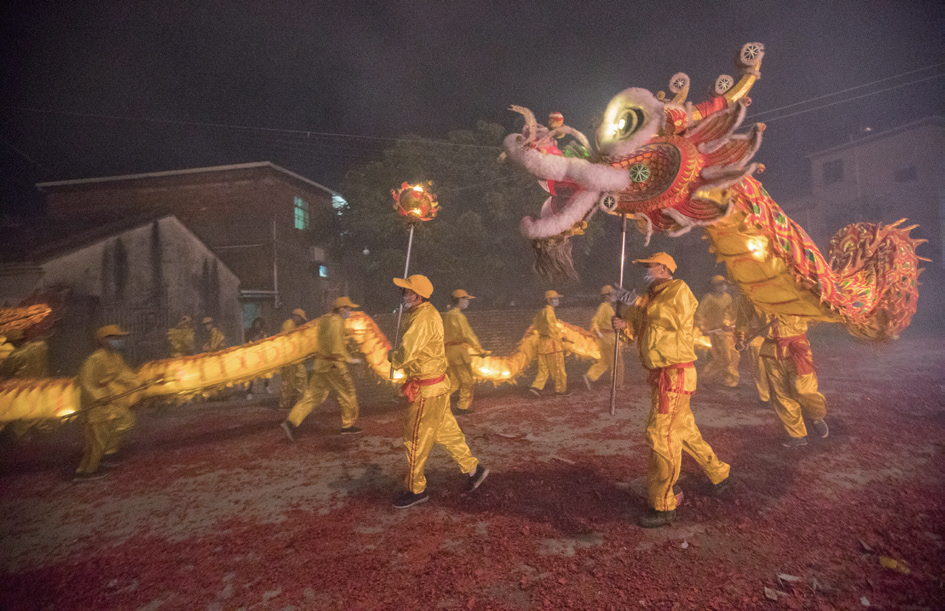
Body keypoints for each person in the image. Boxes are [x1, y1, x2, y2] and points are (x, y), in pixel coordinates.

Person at [612, 252, 731, 528]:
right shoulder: (649, 295)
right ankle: (720, 473)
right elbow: (640, 329)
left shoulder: (680, 290)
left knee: (661, 434)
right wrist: (623, 324)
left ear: (664, 268)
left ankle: (664, 503)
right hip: (661, 375)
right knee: (684, 430)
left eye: (649, 266)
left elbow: (674, 319)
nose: (645, 270)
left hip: (675, 375)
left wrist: (637, 301)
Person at [388, 274, 488, 509]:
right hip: (437, 387)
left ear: (417, 295)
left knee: (414, 440)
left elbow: (407, 353)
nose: (403, 296)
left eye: (406, 292)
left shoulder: (422, 318)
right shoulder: (426, 313)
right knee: (447, 433)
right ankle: (475, 471)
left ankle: (416, 489)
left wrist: (393, 357)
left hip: (426, 391)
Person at [281, 297, 362, 440]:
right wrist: (350, 359)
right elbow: (336, 345)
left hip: (320, 364)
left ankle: (291, 422)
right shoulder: (337, 322)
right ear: (341, 309)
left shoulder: (324, 320)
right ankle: (348, 426)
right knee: (347, 394)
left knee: (312, 396)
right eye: (348, 309)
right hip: (334, 365)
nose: (349, 312)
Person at [74, 325, 145, 482]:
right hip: (99, 406)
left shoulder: (115, 357)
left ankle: (108, 454)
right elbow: (86, 383)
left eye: (119, 338)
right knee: (97, 440)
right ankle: (87, 472)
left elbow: (124, 374)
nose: (118, 341)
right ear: (103, 340)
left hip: (112, 402)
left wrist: (138, 382)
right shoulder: (94, 359)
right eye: (114, 338)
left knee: (126, 421)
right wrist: (99, 398)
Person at [756, 314, 829, 447]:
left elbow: (814, 313)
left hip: (797, 349)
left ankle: (815, 415)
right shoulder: (754, 296)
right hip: (771, 353)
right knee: (782, 396)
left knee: (804, 390)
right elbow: (744, 316)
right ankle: (797, 435)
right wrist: (740, 336)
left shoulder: (795, 293)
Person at [443, 289, 488, 415]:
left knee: (455, 382)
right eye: (466, 299)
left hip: (451, 352)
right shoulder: (457, 316)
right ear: (460, 300)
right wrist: (480, 350)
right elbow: (467, 335)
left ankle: (437, 403)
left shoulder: (448, 315)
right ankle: (463, 407)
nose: (468, 302)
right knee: (467, 381)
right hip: (459, 352)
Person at [694, 275, 739, 388]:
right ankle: (706, 377)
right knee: (722, 358)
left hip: (727, 332)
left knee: (733, 356)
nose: (723, 287)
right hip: (715, 332)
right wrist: (703, 327)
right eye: (720, 284)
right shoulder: (709, 298)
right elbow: (699, 313)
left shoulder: (728, 297)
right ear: (714, 286)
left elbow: (731, 313)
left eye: (724, 284)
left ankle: (729, 380)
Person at [529, 290, 570, 397]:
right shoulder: (549, 312)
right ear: (548, 300)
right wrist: (562, 337)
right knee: (558, 368)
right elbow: (552, 329)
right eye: (555, 298)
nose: (557, 300)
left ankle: (536, 387)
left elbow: (536, 326)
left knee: (544, 369)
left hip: (542, 344)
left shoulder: (541, 312)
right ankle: (561, 391)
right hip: (552, 345)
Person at [583, 285, 624, 391]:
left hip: (606, 339)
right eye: (612, 294)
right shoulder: (604, 307)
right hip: (609, 339)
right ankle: (617, 385)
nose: (614, 296)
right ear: (607, 296)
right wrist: (598, 333)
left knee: (604, 362)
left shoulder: (607, 307)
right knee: (617, 362)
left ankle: (589, 377)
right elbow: (595, 321)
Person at [734, 294, 771, 405]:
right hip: (757, 338)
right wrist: (741, 337)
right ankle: (764, 397)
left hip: (777, 339)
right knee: (759, 370)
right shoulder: (749, 295)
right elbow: (743, 319)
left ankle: (780, 397)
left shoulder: (779, 291)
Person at [279, 308, 309, 409]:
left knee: (301, 380)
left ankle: (301, 403)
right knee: (287, 383)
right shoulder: (288, 324)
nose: (301, 321)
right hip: (289, 361)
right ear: (296, 316)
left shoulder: (297, 326)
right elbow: (289, 340)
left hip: (298, 360)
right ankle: (284, 405)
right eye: (301, 318)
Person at [246, 317, 271, 397]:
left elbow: (268, 342)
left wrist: (264, 336)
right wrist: (258, 337)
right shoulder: (251, 333)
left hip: (263, 356)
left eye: (260, 326)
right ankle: (249, 392)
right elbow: (250, 342)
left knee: (266, 373)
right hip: (254, 356)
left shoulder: (264, 333)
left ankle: (267, 387)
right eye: (257, 326)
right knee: (253, 375)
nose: (259, 327)